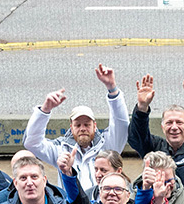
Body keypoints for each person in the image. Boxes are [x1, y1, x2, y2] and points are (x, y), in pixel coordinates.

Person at [23, 65, 129, 194]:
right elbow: (32, 143)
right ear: (71, 128)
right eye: (78, 125)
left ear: (95, 126)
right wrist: (45, 110)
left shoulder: (108, 145)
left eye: (87, 124)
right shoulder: (60, 149)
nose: (83, 129)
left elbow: (121, 124)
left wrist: (112, 89)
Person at [129, 67, 184, 196]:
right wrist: (142, 107)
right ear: (162, 127)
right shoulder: (154, 148)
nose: (174, 127)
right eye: (169, 123)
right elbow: (136, 137)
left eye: (179, 122)